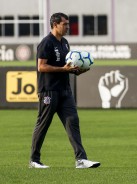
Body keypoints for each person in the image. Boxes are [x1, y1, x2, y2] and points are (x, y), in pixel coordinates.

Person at [29, 12, 100, 169]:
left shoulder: (65, 43)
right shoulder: (46, 43)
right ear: (55, 25)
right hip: (49, 91)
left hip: (65, 91)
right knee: (43, 124)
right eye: (65, 24)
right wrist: (62, 69)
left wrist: (76, 71)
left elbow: (66, 66)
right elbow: (41, 66)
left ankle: (81, 159)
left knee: (73, 122)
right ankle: (34, 160)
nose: (68, 27)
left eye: (68, 24)